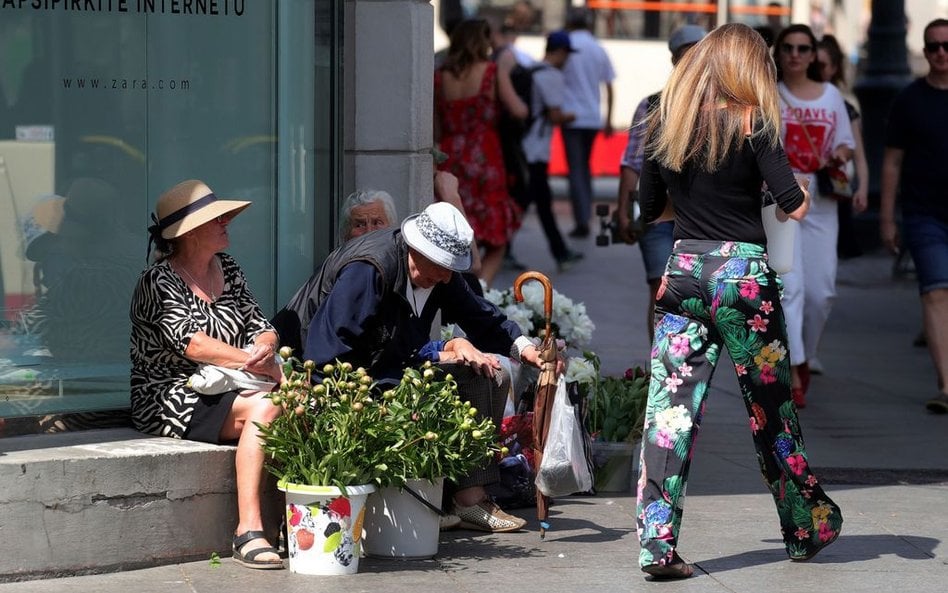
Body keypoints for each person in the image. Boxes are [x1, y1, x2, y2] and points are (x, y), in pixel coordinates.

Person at [635, 23, 841, 579]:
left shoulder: (664, 120)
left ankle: (656, 544)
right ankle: (805, 526)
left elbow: (650, 210)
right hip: (743, 277)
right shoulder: (754, 120)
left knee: (668, 415)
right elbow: (794, 203)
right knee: (770, 410)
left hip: (682, 273)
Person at [301, 201, 556, 532]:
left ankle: (470, 500)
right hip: (342, 376)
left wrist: (525, 349)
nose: (447, 276)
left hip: (390, 366)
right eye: (442, 266)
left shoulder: (439, 276)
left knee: (486, 374)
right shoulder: (370, 270)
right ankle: (425, 501)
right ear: (415, 249)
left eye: (452, 268)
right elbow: (330, 349)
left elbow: (479, 316)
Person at [130, 179, 284, 570]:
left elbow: (259, 323)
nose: (227, 221)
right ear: (190, 231)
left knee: (295, 404)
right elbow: (192, 344)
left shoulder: (228, 268)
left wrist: (266, 345)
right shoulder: (157, 281)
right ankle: (248, 529)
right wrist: (255, 363)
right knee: (268, 408)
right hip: (171, 394)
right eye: (218, 218)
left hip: (233, 385)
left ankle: (301, 516)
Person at [774, 24, 854, 408]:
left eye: (802, 48)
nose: (794, 54)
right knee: (791, 288)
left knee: (822, 293)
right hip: (779, 203)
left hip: (822, 204)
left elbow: (846, 142)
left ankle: (804, 353)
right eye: (787, 47)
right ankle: (793, 370)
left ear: (812, 54)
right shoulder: (769, 95)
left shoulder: (831, 96)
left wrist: (838, 156)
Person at [616, 25, 705, 346]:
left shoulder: (720, 106)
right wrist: (624, 212)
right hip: (657, 216)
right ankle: (660, 364)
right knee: (660, 289)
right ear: (674, 59)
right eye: (687, 54)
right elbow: (632, 162)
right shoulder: (652, 105)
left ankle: (682, 358)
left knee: (693, 295)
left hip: (701, 218)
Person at [880, 18, 948, 414]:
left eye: (946, 45)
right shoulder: (908, 99)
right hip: (924, 213)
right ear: (924, 52)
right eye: (933, 46)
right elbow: (892, 162)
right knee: (935, 290)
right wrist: (887, 217)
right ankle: (944, 384)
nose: (941, 52)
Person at [434, 18, 527, 287]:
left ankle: (462, 292)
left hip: (452, 159)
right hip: (486, 159)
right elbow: (519, 110)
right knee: (497, 241)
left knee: (457, 232)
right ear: (481, 42)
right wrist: (507, 72)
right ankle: (481, 292)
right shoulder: (492, 71)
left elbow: (436, 130)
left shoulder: (439, 77)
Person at [520, 30, 584, 272]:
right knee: (532, 202)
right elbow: (555, 114)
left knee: (531, 202)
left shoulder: (531, 69)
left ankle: (560, 251)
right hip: (535, 150)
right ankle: (560, 253)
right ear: (560, 52)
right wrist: (573, 116)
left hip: (524, 146)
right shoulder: (551, 76)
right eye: (567, 53)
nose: (568, 59)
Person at [561, 7, 616, 238]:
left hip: (570, 117)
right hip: (593, 118)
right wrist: (608, 119)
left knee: (576, 169)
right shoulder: (598, 48)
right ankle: (587, 215)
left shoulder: (566, 46)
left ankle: (582, 219)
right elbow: (609, 86)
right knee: (584, 167)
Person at [817, 34, 869, 262]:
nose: (815, 70)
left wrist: (863, 188)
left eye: (821, 65)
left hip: (833, 185)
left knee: (828, 250)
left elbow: (858, 152)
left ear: (834, 68)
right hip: (803, 184)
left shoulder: (843, 105)